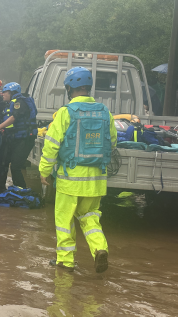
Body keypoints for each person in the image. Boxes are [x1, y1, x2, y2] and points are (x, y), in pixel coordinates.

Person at [39, 67, 116, 273]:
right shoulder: (105, 112)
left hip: (70, 178)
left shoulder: (65, 113)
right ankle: (100, 248)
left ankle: (65, 261)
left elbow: (52, 144)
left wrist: (44, 170)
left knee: (64, 220)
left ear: (69, 88)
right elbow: (112, 142)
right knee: (90, 217)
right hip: (97, 179)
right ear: (88, 88)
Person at [0, 82, 37, 192]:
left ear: (12, 93)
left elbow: (13, 118)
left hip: (25, 139)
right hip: (17, 138)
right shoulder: (10, 104)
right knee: (6, 163)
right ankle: (8, 189)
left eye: (5, 92)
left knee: (16, 167)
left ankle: (22, 191)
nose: (2, 94)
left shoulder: (19, 102)